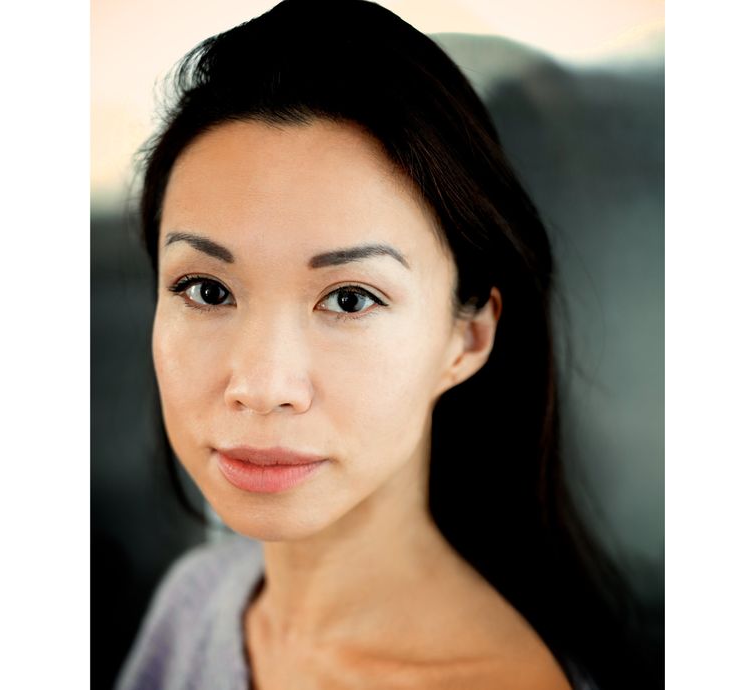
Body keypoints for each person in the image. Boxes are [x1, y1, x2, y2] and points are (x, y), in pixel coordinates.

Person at [115, 1, 655, 688]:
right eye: (207, 290)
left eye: (349, 298)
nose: (261, 383)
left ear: (467, 338)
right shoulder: (200, 601)